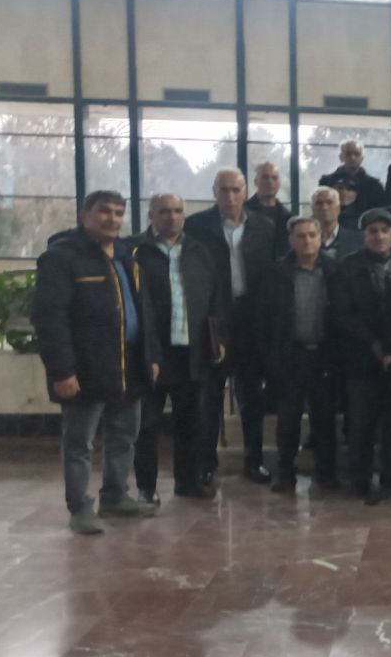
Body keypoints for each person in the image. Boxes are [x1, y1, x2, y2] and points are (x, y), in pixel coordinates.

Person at [32, 190, 157, 535]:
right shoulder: (61, 258)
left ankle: (115, 496)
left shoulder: (126, 256)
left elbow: (143, 310)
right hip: (84, 369)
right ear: (84, 215)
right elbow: (49, 319)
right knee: (79, 444)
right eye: (104, 212)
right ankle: (80, 508)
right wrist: (62, 371)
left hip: (128, 366)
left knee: (124, 436)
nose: (112, 219)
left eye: (118, 213)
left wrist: (151, 357)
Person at [184, 168, 276, 486]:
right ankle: (206, 463)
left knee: (251, 395)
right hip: (213, 320)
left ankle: (254, 461)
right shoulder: (196, 226)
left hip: (251, 318)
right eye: (224, 190)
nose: (231, 196)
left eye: (236, 190)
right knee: (210, 396)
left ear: (246, 191)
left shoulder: (264, 227)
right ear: (214, 192)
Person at [133, 194, 225, 505]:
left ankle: (188, 481)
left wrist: (217, 338)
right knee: (147, 425)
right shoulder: (136, 252)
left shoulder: (200, 251)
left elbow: (215, 298)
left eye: (177, 211)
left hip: (192, 350)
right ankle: (146, 487)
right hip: (153, 353)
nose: (171, 217)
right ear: (151, 216)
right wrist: (146, 351)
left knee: (191, 422)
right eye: (164, 211)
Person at [255, 217, 340, 493]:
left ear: (321, 238)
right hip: (289, 356)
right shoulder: (276, 273)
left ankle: (326, 473)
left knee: (324, 420)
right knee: (288, 420)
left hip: (324, 355)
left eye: (312, 235)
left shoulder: (335, 271)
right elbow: (263, 319)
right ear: (291, 239)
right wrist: (269, 359)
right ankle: (285, 474)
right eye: (301, 236)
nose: (307, 241)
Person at [332, 208, 391, 503]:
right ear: (363, 235)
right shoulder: (347, 267)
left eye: (385, 230)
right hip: (360, 358)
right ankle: (359, 479)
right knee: (360, 423)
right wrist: (372, 342)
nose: (379, 236)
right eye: (373, 231)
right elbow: (342, 313)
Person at [319, 139, 387, 218]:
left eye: (357, 154)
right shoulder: (326, 183)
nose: (352, 158)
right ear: (341, 157)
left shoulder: (374, 185)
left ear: (362, 158)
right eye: (348, 154)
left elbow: (379, 215)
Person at [246, 161, 291, 256]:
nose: (270, 182)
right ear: (256, 182)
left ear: (279, 183)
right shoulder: (243, 212)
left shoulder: (288, 216)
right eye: (265, 177)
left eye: (274, 178)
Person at [311, 186, 359, 262]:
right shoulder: (301, 240)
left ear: (338, 208)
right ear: (312, 209)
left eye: (329, 202)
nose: (324, 207)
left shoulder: (359, 240)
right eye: (319, 203)